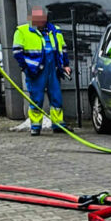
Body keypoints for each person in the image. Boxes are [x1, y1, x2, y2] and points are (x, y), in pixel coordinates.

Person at [12, 7, 71, 135]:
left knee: (56, 97)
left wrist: (65, 65)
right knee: (36, 98)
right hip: (35, 70)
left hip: (53, 68)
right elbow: (17, 52)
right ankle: (35, 126)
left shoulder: (55, 31)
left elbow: (63, 49)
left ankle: (58, 124)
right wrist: (26, 67)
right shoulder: (22, 31)